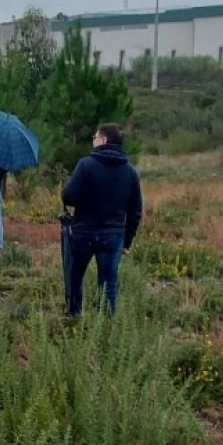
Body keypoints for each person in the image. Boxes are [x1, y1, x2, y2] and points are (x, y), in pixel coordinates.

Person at [60, 123, 143, 316]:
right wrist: (127, 241)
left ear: (104, 140)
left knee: (74, 276)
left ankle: (74, 316)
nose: (93, 141)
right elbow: (136, 210)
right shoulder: (130, 171)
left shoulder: (86, 165)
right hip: (113, 236)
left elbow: (69, 197)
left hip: (83, 233)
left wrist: (68, 189)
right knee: (108, 284)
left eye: (95, 137)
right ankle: (106, 326)